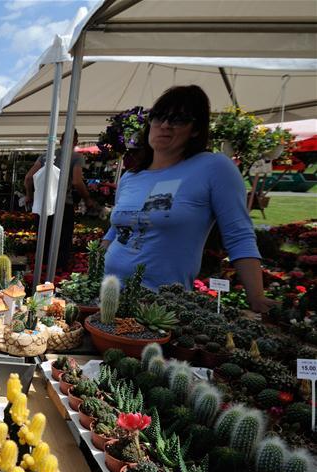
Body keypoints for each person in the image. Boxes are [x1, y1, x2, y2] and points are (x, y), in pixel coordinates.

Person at [102, 85, 273, 312]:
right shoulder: (132, 176)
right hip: (107, 294)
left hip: (160, 305)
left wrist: (257, 297)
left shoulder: (213, 167)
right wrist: (92, 270)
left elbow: (239, 235)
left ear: (195, 129)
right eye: (158, 117)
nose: (165, 125)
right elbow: (116, 231)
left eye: (179, 120)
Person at [24, 129, 92, 270]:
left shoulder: (46, 156)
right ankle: (58, 276)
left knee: (44, 241)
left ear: (60, 141)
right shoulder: (76, 157)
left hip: (43, 206)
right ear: (76, 142)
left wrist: (29, 195)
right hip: (63, 206)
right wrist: (87, 198)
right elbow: (77, 182)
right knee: (62, 242)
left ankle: (40, 274)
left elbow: (28, 178)